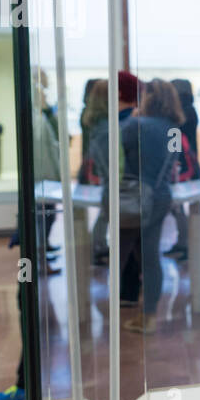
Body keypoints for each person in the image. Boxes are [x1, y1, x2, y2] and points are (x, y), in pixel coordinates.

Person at [119, 78, 183, 333]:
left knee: (123, 253)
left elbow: (117, 154)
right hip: (161, 195)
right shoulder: (174, 129)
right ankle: (150, 316)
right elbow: (173, 163)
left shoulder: (135, 125)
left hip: (134, 196)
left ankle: (124, 304)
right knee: (151, 257)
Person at [85, 70, 140, 267]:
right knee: (127, 252)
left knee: (129, 249)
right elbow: (115, 167)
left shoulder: (106, 125)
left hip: (120, 191)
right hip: (123, 192)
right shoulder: (109, 127)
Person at [164, 78, 199, 261]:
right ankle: (184, 242)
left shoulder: (179, 114)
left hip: (181, 167)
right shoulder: (190, 111)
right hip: (189, 164)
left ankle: (184, 243)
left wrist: (171, 162)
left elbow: (174, 143)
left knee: (178, 208)